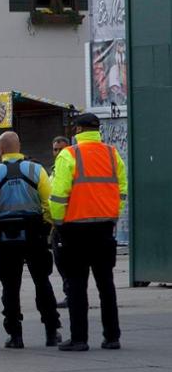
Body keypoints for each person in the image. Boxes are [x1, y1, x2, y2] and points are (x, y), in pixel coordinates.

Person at [51, 113, 128, 351]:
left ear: (77, 129)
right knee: (106, 284)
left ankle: (79, 338)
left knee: (76, 286)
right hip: (105, 228)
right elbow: (122, 190)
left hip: (75, 229)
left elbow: (58, 195)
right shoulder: (112, 153)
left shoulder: (69, 154)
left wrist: (58, 222)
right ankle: (112, 336)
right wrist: (112, 215)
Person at [0, 132, 61, 349]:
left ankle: (15, 335)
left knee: (10, 287)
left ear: (0, 150)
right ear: (19, 147)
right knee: (42, 282)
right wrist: (47, 227)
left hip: (7, 238)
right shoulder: (37, 170)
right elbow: (49, 203)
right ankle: (52, 331)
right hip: (35, 235)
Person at [50, 135, 72, 308]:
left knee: (67, 262)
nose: (57, 152)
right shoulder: (55, 169)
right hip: (56, 224)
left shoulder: (69, 166)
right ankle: (70, 292)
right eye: (55, 149)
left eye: (61, 149)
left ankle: (72, 294)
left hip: (66, 223)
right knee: (60, 262)